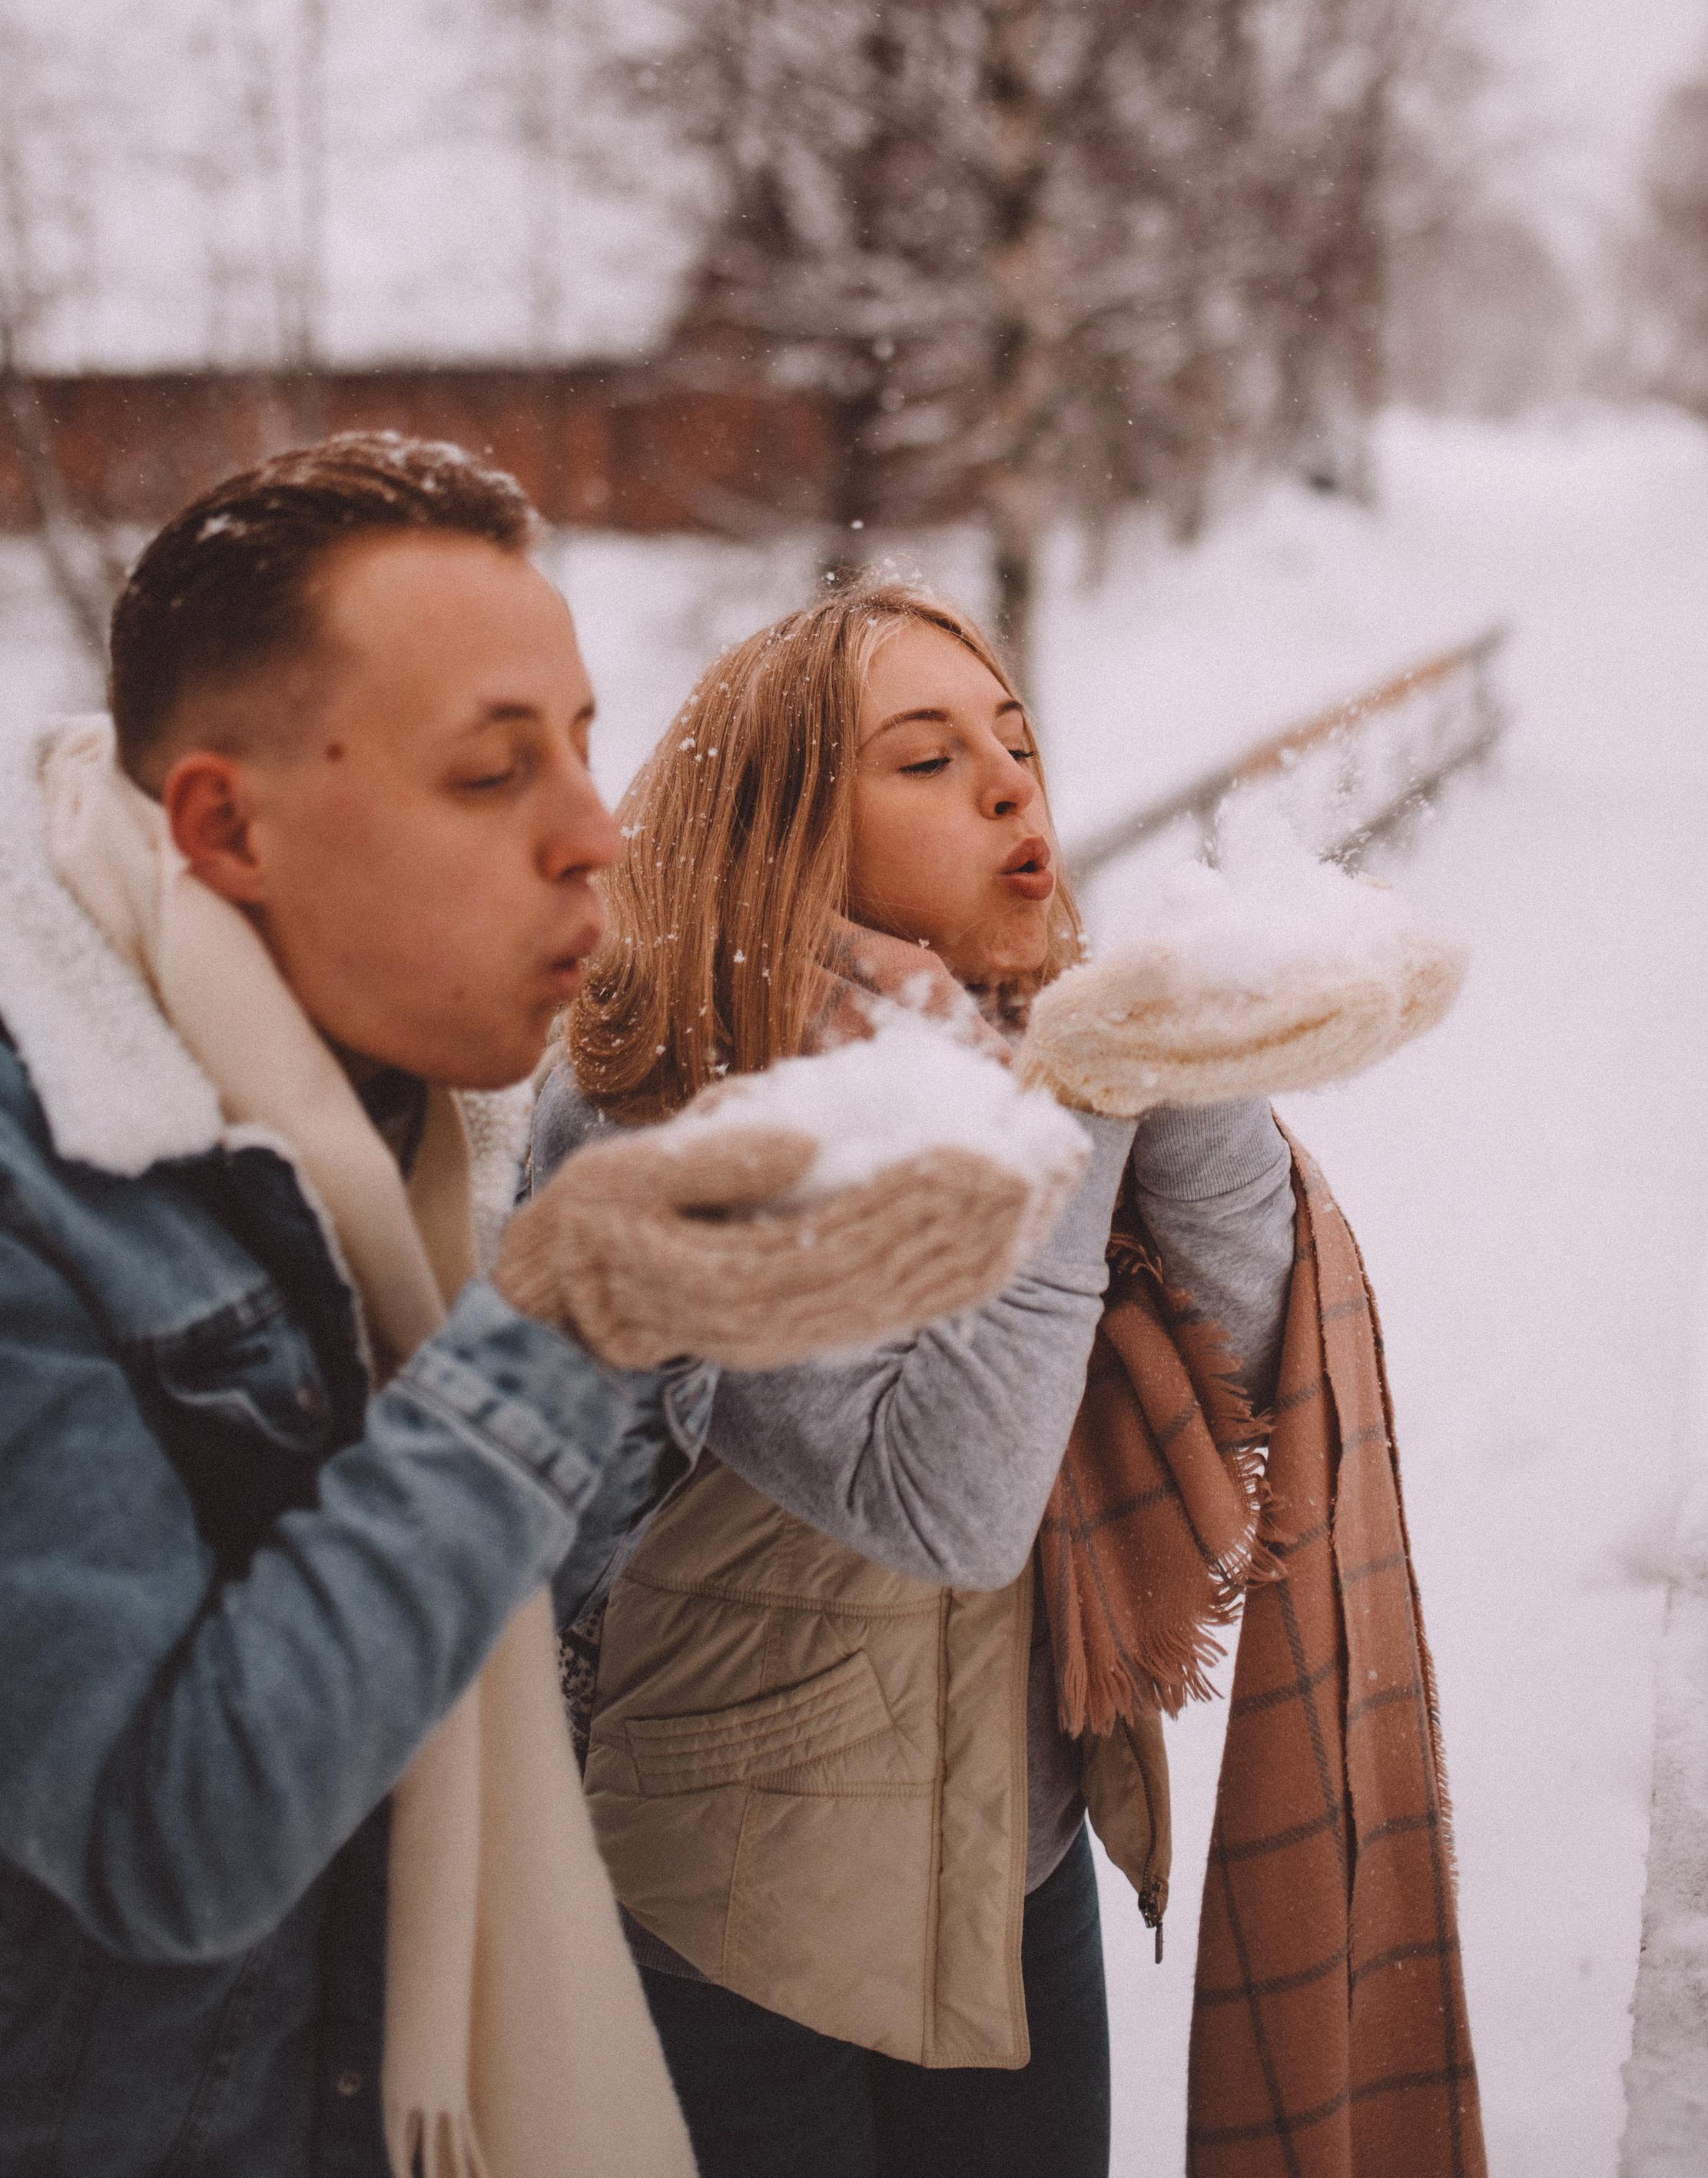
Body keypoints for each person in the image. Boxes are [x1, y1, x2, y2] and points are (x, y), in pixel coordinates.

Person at [0, 439, 1061, 2178]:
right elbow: (167, 1839)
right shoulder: (49, 1189)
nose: (596, 830)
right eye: (498, 772)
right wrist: (562, 1324)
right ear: (224, 824)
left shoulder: (382, 1108)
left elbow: (541, 1610)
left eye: (581, 741)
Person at [533, 580, 1486, 2178]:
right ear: (777, 830)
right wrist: (1092, 1096)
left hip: (1008, 1837)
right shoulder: (673, 1096)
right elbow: (945, 1498)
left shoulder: (1013, 1040)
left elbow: (1262, 1345)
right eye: (924, 759)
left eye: (1017, 741)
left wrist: (1185, 1066)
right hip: (727, 1899)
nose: (1005, 783)